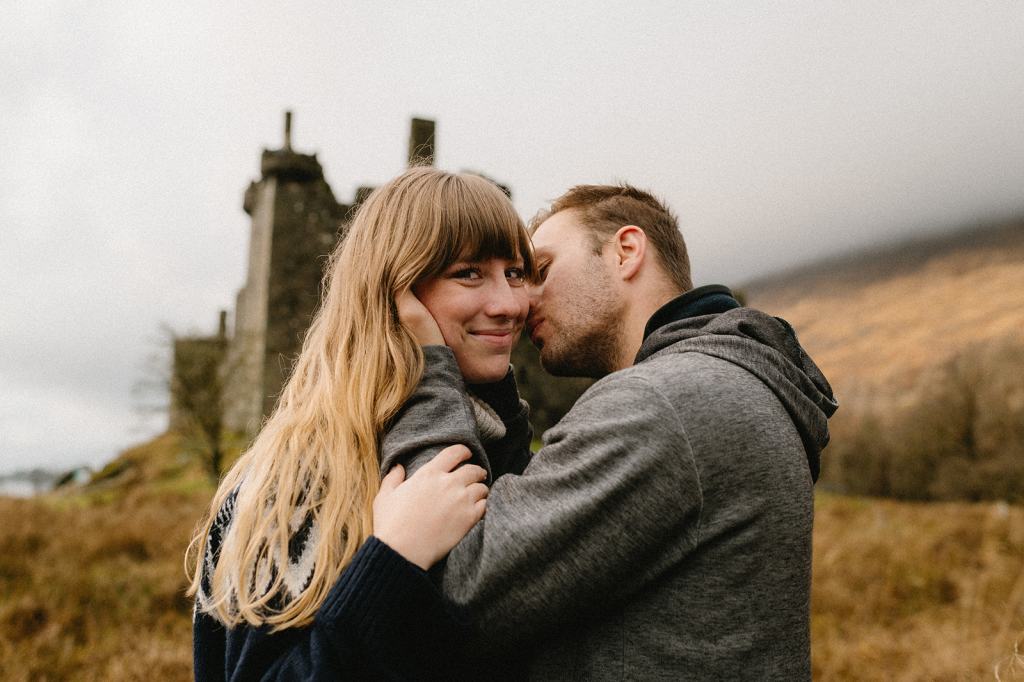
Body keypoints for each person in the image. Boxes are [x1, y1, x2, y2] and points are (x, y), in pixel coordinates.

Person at [387, 184, 839, 679]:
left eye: (540, 270)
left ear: (626, 251)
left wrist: (430, 368)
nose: (521, 299)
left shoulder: (662, 402)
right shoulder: (729, 380)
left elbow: (451, 590)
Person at [187, 166, 537, 680]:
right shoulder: (297, 487)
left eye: (516, 273)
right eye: (470, 273)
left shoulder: (501, 444)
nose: (510, 304)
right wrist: (391, 563)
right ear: (396, 292)